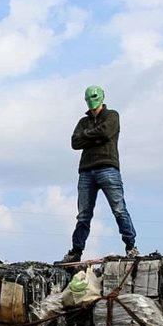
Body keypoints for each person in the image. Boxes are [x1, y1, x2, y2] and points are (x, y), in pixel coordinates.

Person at [62, 85, 138, 263]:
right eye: (88, 97)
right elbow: (75, 141)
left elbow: (105, 131)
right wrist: (94, 137)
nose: (92, 100)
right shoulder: (83, 121)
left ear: (102, 97)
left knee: (119, 209)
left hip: (107, 167)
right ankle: (76, 251)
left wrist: (87, 137)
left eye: (94, 97)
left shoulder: (112, 116)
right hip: (86, 171)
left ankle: (131, 246)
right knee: (83, 214)